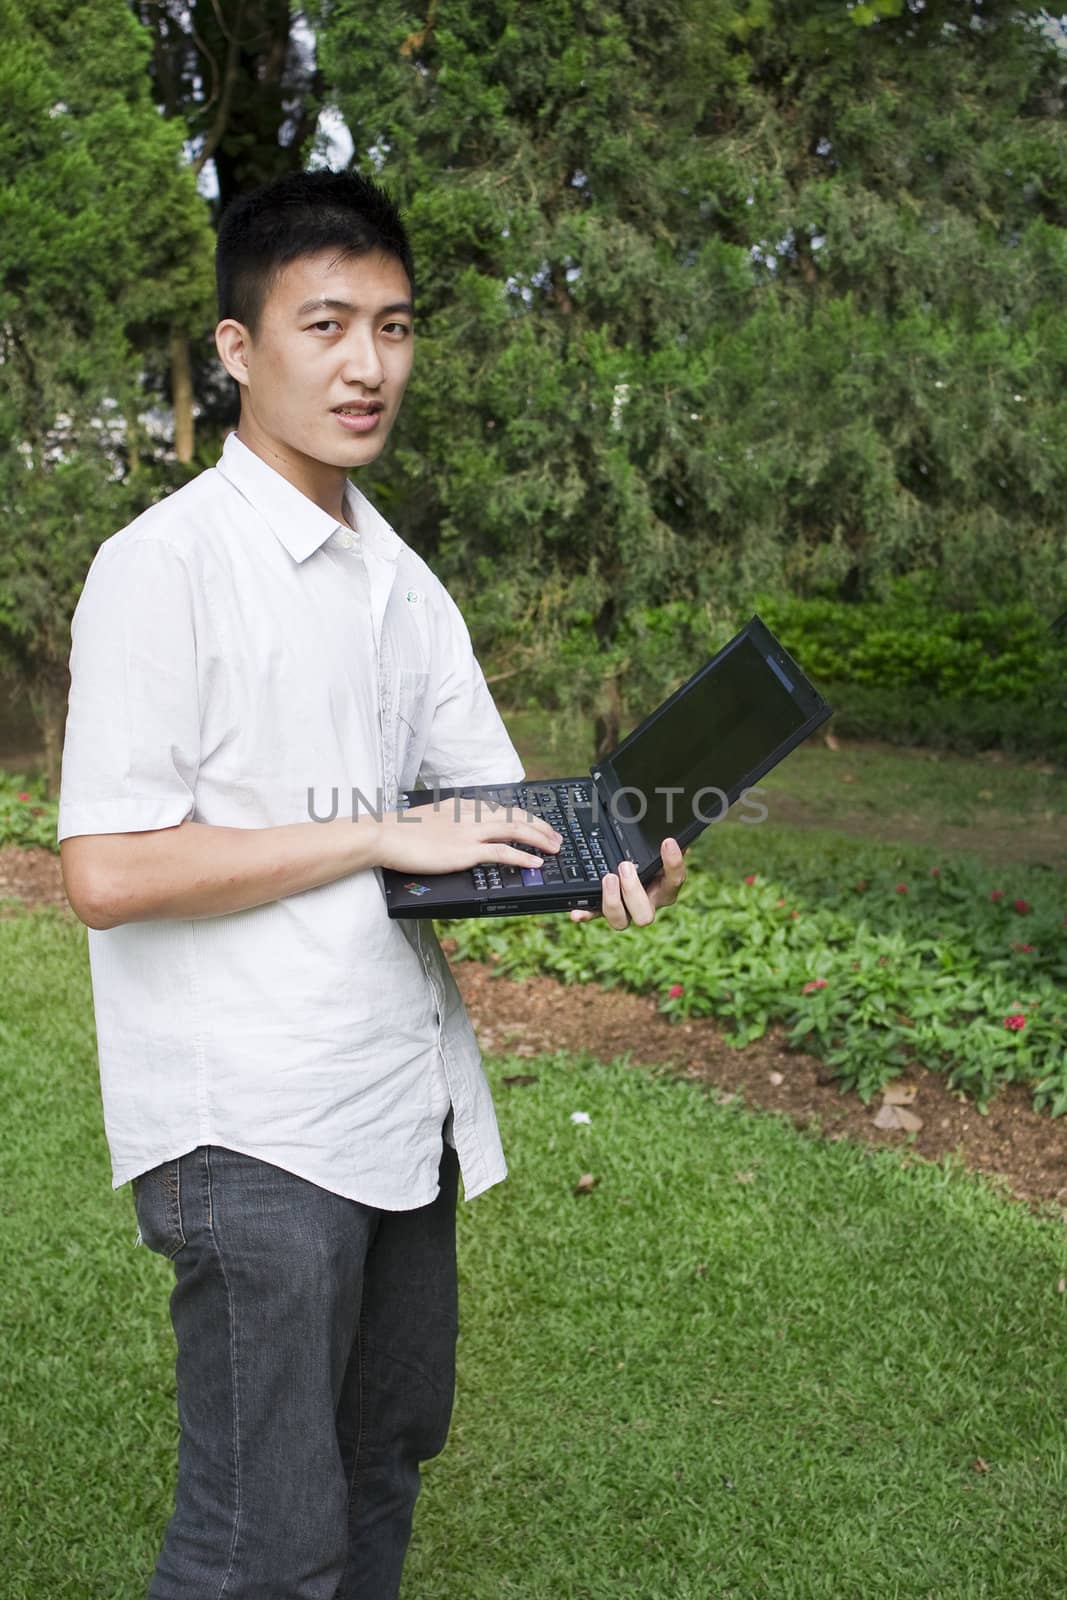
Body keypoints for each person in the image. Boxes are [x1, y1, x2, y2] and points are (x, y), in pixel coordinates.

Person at [58, 168, 687, 1600]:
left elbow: (482, 816)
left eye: (393, 328)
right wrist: (370, 836)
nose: (366, 365)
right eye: (326, 324)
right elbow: (103, 868)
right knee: (257, 1537)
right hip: (252, 1124)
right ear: (237, 349)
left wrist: (604, 857)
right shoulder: (166, 569)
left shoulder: (398, 574)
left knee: (379, 1465)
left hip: (402, 1107)